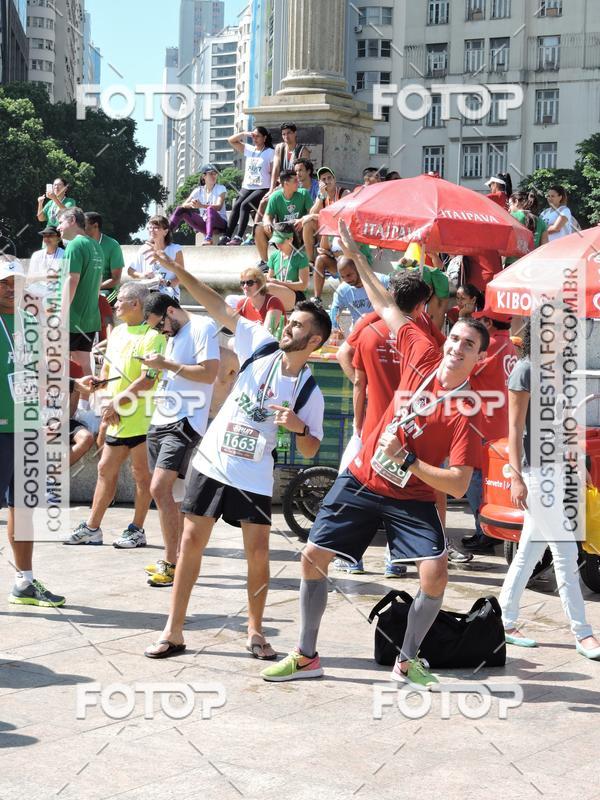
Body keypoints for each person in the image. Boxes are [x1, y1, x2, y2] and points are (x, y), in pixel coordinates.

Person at [261, 220, 488, 688]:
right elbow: (386, 306)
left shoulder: (468, 409)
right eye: (454, 339)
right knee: (311, 556)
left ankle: (408, 660)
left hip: (413, 494)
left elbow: (460, 485)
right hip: (364, 477)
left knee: (436, 574)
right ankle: (306, 655)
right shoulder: (422, 351)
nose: (456, 347)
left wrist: (409, 463)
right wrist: (359, 257)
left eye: (468, 344)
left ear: (477, 358)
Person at [144, 252, 330, 661]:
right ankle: (173, 630)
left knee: (258, 553)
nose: (288, 326)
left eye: (298, 325)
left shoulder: (308, 391)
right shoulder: (260, 344)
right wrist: (179, 272)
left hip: (252, 474)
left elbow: (311, 446)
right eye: (291, 320)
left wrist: (297, 426)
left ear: (314, 341)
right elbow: (215, 304)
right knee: (191, 542)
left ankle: (256, 632)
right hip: (212, 460)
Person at [499, 320, 600, 659]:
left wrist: (578, 463)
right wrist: (515, 476)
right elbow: (513, 429)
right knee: (566, 553)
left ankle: (505, 618)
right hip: (535, 474)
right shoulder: (525, 370)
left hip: (558, 471)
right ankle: (583, 633)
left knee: (529, 553)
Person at [62, 283, 165, 547]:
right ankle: (92, 527)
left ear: (136, 304)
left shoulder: (154, 336)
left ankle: (137, 529)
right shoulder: (117, 333)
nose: (115, 304)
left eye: (121, 300)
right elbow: (107, 375)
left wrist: (116, 404)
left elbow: (147, 380)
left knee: (141, 475)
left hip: (142, 419)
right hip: (117, 417)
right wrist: (100, 393)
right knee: (105, 469)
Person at [141, 293, 219, 587]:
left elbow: (209, 373)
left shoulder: (202, 327)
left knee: (159, 488)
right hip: (161, 419)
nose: (159, 332)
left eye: (159, 325)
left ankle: (174, 563)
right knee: (169, 496)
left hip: (183, 421)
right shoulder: (174, 334)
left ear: (171, 311)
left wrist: (167, 365)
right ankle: (173, 560)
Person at [1, 258, 65, 607]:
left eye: (16, 282)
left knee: (23, 507)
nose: (11, 289)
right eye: (4, 283)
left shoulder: (29, 321)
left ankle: (24, 582)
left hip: (25, 429)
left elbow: (37, 375)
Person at [461, 309, 518, 553]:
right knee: (491, 478)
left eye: (480, 320)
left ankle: (483, 529)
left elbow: (464, 369)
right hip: (502, 421)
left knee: (476, 477)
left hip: (485, 421)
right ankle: (490, 528)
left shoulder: (491, 345)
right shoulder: (509, 346)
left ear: (488, 322)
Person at [56, 207, 104, 373]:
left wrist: (60, 315)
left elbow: (72, 280)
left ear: (72, 221)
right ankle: (87, 399)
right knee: (83, 362)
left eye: (61, 222)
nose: (58, 227)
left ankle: (71, 399)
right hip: (90, 317)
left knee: (63, 362)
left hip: (73, 318)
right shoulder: (96, 246)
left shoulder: (74, 245)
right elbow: (98, 283)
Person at [219, 127, 275, 246]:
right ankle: (227, 235)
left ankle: (239, 237)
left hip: (262, 187)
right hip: (247, 186)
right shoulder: (250, 149)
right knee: (237, 205)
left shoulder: (270, 152)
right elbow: (231, 140)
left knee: (245, 205)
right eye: (253, 136)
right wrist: (245, 133)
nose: (255, 138)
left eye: (258, 136)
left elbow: (273, 172)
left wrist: (272, 189)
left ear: (265, 138)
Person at [255, 169, 313, 270]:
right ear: (286, 183)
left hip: (299, 231)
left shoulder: (304, 193)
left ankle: (309, 261)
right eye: (295, 180)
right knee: (258, 228)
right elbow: (267, 215)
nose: (298, 182)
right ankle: (265, 262)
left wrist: (303, 219)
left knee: (308, 223)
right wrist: (267, 222)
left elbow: (311, 213)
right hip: (282, 232)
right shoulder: (275, 196)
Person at [304, 167, 349, 292]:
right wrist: (321, 198)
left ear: (334, 179)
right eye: (323, 179)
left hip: (341, 234)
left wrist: (317, 216)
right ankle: (310, 260)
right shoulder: (322, 196)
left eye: (329, 178)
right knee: (308, 223)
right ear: (320, 183)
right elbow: (311, 214)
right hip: (328, 233)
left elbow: (342, 217)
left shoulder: (344, 193)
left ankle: (326, 253)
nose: (327, 181)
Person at [329, 256, 390, 339]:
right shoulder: (343, 290)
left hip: (383, 333)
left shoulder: (382, 281)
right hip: (358, 334)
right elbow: (335, 309)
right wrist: (335, 327)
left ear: (358, 268)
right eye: (343, 277)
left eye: (349, 275)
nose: (347, 280)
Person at [169, 164, 228, 245]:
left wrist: (201, 206)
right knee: (180, 209)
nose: (214, 176)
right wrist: (193, 204)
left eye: (215, 174)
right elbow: (184, 204)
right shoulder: (198, 190)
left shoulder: (221, 188)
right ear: (204, 176)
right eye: (211, 174)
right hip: (205, 224)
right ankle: (167, 233)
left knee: (210, 209)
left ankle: (208, 238)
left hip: (220, 224)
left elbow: (218, 207)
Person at [127, 216, 183, 301]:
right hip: (147, 291)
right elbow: (130, 271)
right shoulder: (144, 249)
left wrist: (167, 283)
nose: (152, 230)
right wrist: (143, 275)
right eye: (150, 227)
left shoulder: (175, 249)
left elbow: (181, 276)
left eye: (156, 228)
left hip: (168, 293)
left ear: (165, 231)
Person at [84, 212, 125, 305]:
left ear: (95, 226)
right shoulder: (80, 244)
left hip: (107, 290)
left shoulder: (112, 245)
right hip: (85, 288)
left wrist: (94, 287)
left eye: (84, 225)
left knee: (99, 300)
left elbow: (115, 279)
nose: (81, 228)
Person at [235, 267, 285, 333]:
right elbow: (238, 331)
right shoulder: (242, 304)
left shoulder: (273, 302)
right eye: (242, 283)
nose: (245, 286)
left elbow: (267, 333)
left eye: (249, 283)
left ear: (259, 284)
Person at [266, 240, 310, 313]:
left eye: (281, 241)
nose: (278, 244)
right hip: (278, 292)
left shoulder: (301, 256)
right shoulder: (274, 256)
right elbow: (269, 278)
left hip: (296, 296)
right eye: (276, 241)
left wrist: (279, 283)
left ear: (290, 239)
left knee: (268, 287)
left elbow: (303, 286)